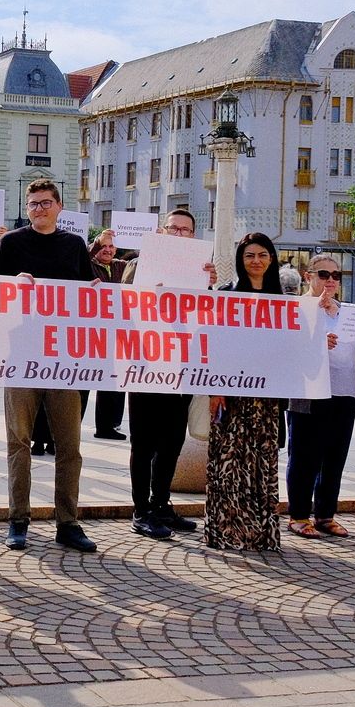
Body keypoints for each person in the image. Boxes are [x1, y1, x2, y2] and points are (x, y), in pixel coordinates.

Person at [0, 179, 96, 553]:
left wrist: (96, 293)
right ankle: (18, 520)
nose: (39, 209)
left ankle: (68, 522)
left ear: (60, 207)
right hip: (20, 358)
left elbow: (89, 294)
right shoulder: (11, 243)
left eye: (46, 203)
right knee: (19, 441)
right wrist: (11, 284)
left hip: (65, 360)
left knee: (70, 444)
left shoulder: (74, 245)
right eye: (33, 204)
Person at [121, 207, 214, 538]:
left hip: (180, 367)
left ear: (193, 236)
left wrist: (208, 286)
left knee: (173, 440)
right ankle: (140, 509)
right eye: (173, 228)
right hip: (146, 366)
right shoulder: (138, 264)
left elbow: (207, 319)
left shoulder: (203, 273)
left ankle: (161, 503)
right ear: (162, 231)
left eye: (185, 230)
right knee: (144, 442)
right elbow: (124, 307)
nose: (178, 235)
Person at [204, 232, 288, 552]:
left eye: (263, 255)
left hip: (266, 399)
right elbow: (215, 344)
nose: (256, 261)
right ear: (241, 259)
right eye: (249, 255)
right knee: (229, 465)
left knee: (261, 465)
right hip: (232, 394)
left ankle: (260, 533)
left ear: (272, 260)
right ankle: (226, 530)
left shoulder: (282, 299)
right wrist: (215, 390)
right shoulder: (227, 295)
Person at [289, 253, 355, 539]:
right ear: (308, 276)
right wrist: (315, 341)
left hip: (344, 393)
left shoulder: (348, 312)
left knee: (335, 459)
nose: (330, 280)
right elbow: (287, 352)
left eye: (336, 275)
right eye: (323, 274)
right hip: (309, 395)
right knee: (304, 457)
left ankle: (326, 515)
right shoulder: (297, 308)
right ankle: (299, 515)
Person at [88, 235, 127, 440]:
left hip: (117, 330)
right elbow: (83, 255)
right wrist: (96, 243)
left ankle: (108, 426)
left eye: (112, 246)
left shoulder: (122, 266)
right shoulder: (88, 264)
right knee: (83, 381)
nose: (108, 250)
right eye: (103, 246)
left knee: (114, 379)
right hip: (92, 330)